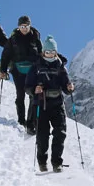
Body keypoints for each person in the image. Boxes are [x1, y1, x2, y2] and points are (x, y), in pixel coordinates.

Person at [25, 35, 74, 171]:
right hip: (41, 104)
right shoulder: (36, 67)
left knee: (60, 132)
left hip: (57, 103)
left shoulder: (61, 67)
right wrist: (35, 90)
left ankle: (57, 162)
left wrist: (69, 88)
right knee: (42, 134)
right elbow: (28, 86)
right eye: (48, 52)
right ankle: (42, 161)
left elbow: (65, 86)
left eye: (53, 52)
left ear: (56, 52)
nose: (50, 55)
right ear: (43, 52)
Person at [0, 15, 42, 130]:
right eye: (21, 26)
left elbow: (41, 55)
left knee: (33, 95)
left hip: (32, 71)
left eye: (26, 26)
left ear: (29, 26)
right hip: (17, 70)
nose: (24, 28)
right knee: (20, 94)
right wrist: (3, 70)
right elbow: (5, 55)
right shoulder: (13, 39)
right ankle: (21, 120)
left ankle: (31, 122)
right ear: (18, 27)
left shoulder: (35, 38)